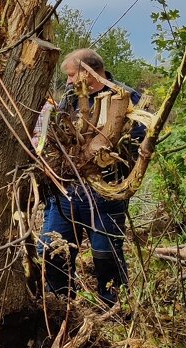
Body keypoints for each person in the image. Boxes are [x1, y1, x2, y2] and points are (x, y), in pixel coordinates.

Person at [38, 48, 143, 307]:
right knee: (54, 251)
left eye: (73, 75)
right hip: (67, 191)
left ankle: (114, 308)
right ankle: (60, 305)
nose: (70, 81)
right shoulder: (72, 98)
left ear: (89, 72)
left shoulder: (124, 96)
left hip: (105, 193)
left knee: (105, 254)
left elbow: (140, 142)